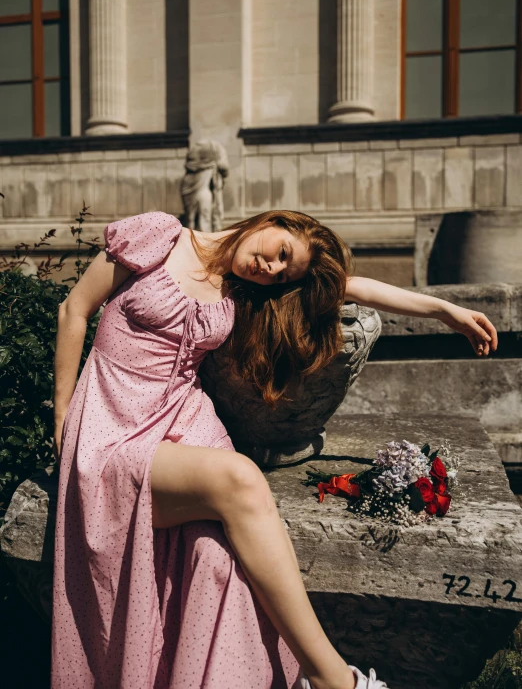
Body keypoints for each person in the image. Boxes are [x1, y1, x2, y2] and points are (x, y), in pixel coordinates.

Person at [52, 210, 497, 689]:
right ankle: (333, 679)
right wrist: (62, 421)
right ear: (272, 222)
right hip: (111, 426)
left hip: (182, 425)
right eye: (281, 252)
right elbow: (73, 310)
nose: (271, 269)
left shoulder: (240, 290)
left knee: (219, 562)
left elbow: (355, 288)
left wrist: (443, 310)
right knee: (243, 479)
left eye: (284, 273)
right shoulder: (159, 235)